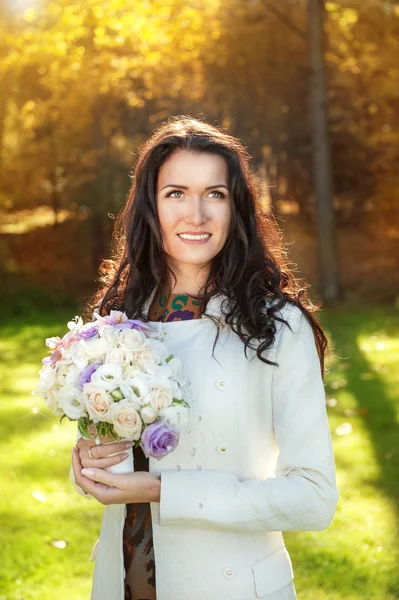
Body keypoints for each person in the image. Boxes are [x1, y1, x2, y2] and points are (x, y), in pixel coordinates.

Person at [70, 115, 340, 600]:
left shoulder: (276, 327)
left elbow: (314, 498)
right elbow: (108, 447)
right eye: (175, 193)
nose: (196, 214)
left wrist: (160, 491)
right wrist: (87, 462)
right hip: (120, 583)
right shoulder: (116, 318)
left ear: (237, 209)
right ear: (150, 206)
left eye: (215, 194)